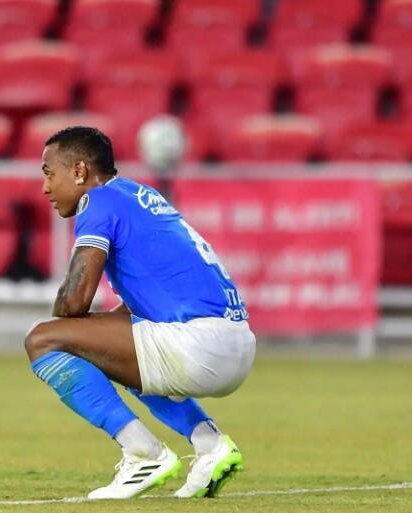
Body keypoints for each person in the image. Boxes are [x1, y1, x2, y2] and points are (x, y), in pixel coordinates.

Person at [24, 126, 256, 500]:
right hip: (236, 342)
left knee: (44, 338)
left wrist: (67, 326)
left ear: (80, 172)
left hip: (199, 345)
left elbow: (74, 303)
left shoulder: (95, 202)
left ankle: (143, 453)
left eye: (50, 173)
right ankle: (210, 445)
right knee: (115, 346)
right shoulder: (137, 193)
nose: (46, 188)